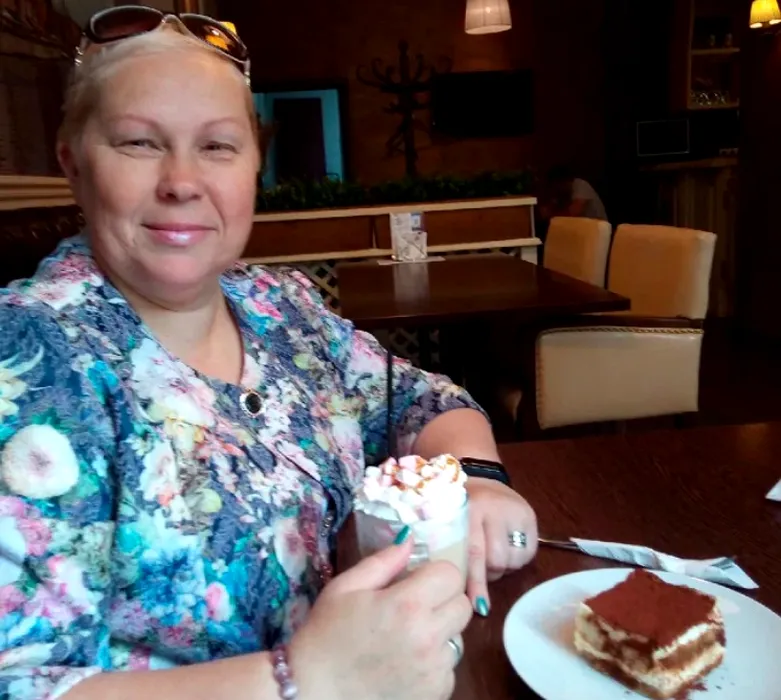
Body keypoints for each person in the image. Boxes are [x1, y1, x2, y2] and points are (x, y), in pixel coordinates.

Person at [0, 7, 538, 700]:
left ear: (255, 166)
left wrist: (479, 478)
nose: (182, 180)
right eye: (138, 142)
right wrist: (304, 680)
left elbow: (418, 397)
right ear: (73, 164)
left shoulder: (277, 304)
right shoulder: (32, 360)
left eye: (218, 146)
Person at [538, 165, 608, 223]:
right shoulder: (561, 194)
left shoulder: (581, 185)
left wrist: (550, 214)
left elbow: (573, 213)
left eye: (557, 185)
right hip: (580, 227)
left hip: (596, 228)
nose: (556, 188)